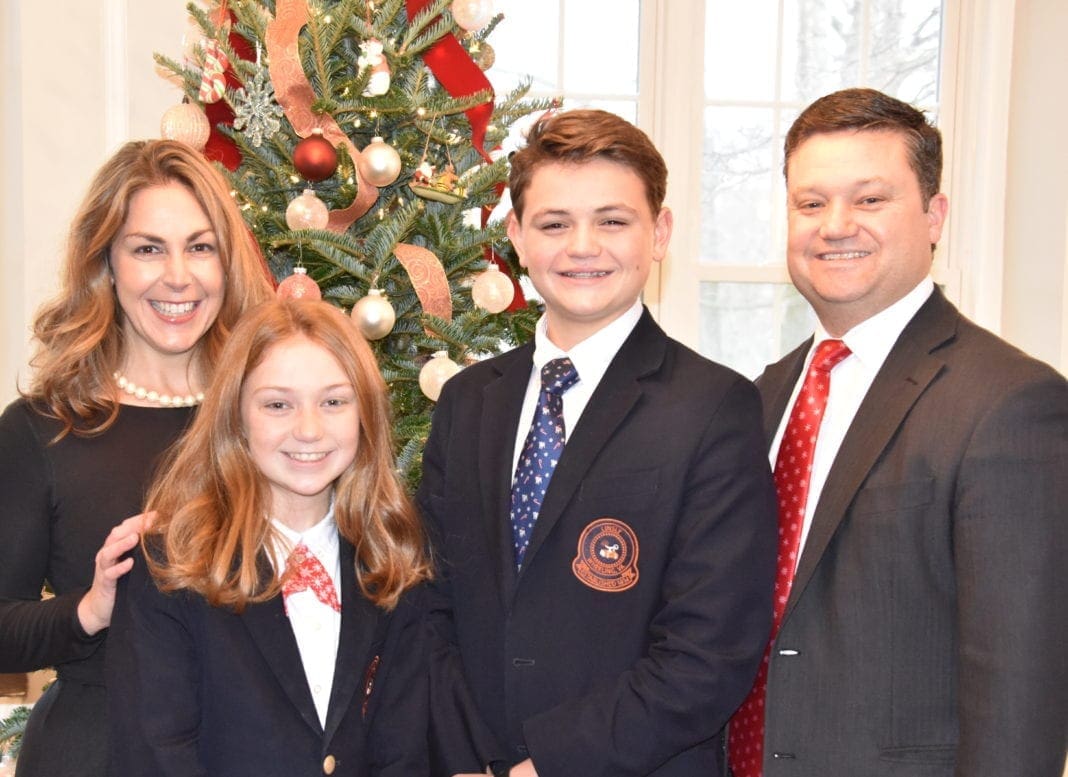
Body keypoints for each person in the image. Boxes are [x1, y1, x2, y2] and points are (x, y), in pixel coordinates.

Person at [419, 109, 778, 777]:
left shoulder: (714, 409)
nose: (583, 246)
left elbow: (709, 651)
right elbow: (431, 601)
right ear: (518, 238)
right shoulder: (468, 402)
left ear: (659, 233)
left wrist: (543, 766)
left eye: (613, 221)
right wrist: (466, 758)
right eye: (554, 224)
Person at [727, 87, 1068, 777]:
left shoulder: (1010, 403)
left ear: (934, 215)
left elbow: (1019, 686)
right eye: (811, 202)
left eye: (871, 199)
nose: (835, 225)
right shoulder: (763, 397)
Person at [0, 139, 273, 777]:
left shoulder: (274, 416)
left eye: (200, 247)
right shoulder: (42, 430)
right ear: (106, 264)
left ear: (227, 264)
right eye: (148, 248)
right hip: (96, 750)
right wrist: (90, 609)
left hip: (253, 748)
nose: (177, 276)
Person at [107, 299, 433, 776]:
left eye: (334, 402)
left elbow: (401, 754)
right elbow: (156, 755)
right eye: (278, 404)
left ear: (365, 413)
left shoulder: (391, 560)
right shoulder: (171, 566)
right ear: (236, 416)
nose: (308, 429)